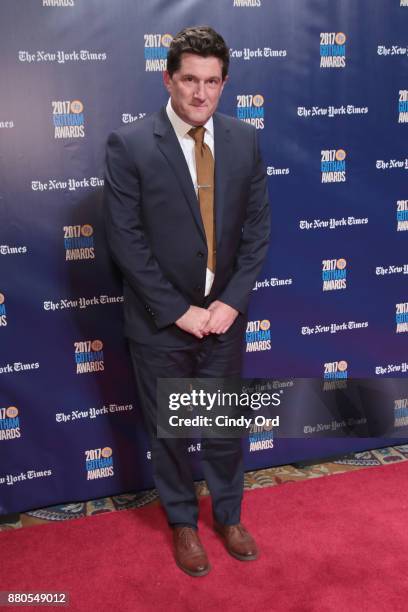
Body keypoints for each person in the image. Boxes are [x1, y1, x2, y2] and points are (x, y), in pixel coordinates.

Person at [104, 25, 270, 577]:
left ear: (225, 83)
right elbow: (125, 240)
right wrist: (179, 310)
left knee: (223, 427)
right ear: (168, 79)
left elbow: (258, 232)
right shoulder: (129, 144)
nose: (202, 94)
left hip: (224, 317)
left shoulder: (245, 139)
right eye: (190, 80)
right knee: (171, 434)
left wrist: (232, 303)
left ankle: (229, 515)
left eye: (213, 81)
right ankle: (181, 522)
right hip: (161, 323)